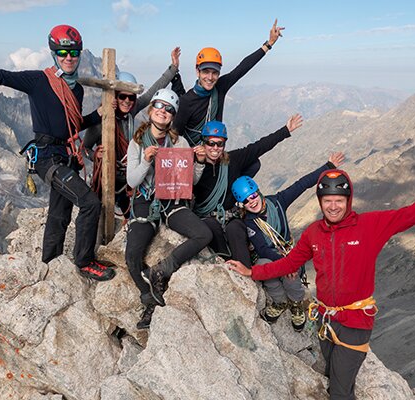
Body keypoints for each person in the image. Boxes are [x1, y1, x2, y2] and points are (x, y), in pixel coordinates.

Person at [228, 146, 415, 399]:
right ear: (320, 202)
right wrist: (251, 272)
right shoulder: (314, 233)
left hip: (355, 322)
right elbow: (289, 263)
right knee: (336, 380)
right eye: (327, 201)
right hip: (325, 320)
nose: (333, 207)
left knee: (337, 391)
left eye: (339, 201)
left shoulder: (370, 226)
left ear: (349, 201)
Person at [0, 22, 114, 281]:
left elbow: (70, 124)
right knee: (90, 203)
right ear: (53, 54)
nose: (69, 57)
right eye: (62, 52)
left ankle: (49, 264)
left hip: (65, 156)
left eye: (73, 52)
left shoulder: (76, 89)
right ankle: (84, 262)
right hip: (47, 158)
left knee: (59, 214)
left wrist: (97, 115)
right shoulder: (38, 81)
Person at [126, 89, 212, 329]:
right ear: (151, 109)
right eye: (160, 107)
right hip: (146, 200)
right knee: (132, 256)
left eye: (169, 109)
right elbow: (132, 181)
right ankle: (150, 301)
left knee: (204, 234)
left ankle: (161, 271)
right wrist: (146, 160)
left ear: (173, 116)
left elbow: (191, 181)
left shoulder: (179, 142)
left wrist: (200, 162)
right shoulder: (137, 143)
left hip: (173, 200)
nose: (163, 112)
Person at [232, 151, 345, 331]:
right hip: (274, 257)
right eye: (246, 201)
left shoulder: (278, 202)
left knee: (291, 275)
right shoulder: (250, 222)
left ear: (258, 193)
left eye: (253, 196)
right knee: (262, 264)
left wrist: (328, 167)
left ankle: (296, 303)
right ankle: (280, 301)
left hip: (290, 252)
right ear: (242, 205)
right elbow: (262, 249)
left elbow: (301, 185)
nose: (251, 202)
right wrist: (286, 264)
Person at [192, 115, 303, 269]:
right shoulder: (193, 162)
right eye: (211, 143)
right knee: (211, 226)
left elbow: (258, 147)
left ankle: (244, 270)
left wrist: (285, 131)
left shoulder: (233, 160)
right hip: (207, 216)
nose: (215, 148)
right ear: (203, 143)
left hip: (231, 214)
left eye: (220, 144)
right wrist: (198, 162)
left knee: (235, 228)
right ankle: (225, 261)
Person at [83, 48, 185, 213]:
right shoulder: (101, 122)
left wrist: (173, 68)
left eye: (131, 97)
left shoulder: (132, 111)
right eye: (122, 96)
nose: (127, 101)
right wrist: (94, 155)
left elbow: (152, 92)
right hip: (108, 178)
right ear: (114, 95)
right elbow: (84, 148)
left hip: (130, 177)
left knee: (129, 215)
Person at [173, 19, 285, 149]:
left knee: (253, 164)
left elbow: (242, 68)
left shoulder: (220, 87)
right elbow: (175, 139)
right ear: (197, 71)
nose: (210, 77)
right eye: (206, 72)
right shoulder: (186, 101)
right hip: (192, 157)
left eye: (214, 73)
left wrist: (269, 43)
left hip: (215, 151)